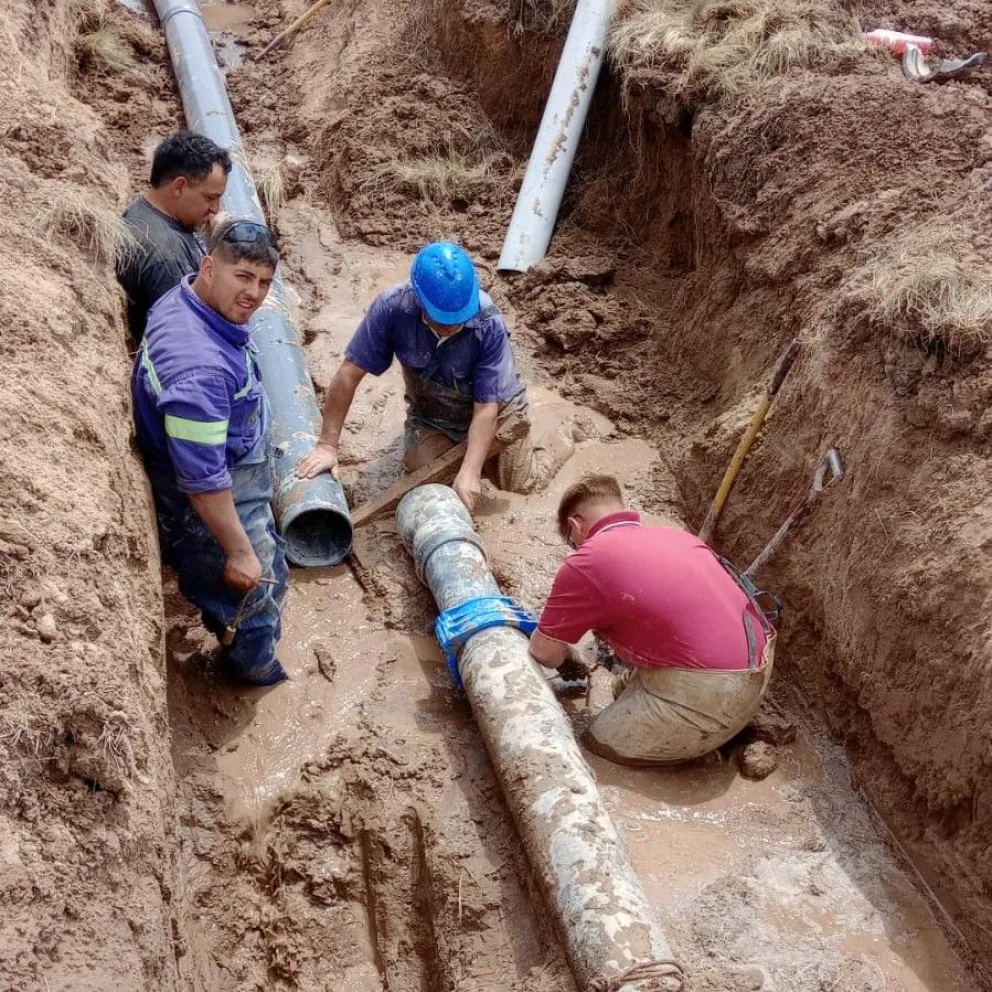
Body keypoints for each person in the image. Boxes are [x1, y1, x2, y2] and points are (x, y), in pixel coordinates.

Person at [132, 219, 289, 687]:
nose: (254, 294)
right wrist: (240, 551)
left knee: (266, 568)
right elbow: (203, 483)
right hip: (211, 508)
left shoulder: (186, 299)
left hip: (232, 474)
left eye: (264, 283)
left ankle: (230, 627)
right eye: (242, 277)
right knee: (255, 599)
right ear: (208, 266)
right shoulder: (199, 369)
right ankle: (256, 672)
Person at [528, 474, 775, 766]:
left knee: (598, 743)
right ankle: (711, 732)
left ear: (575, 525)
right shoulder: (678, 536)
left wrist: (568, 653)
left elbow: (544, 652)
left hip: (709, 691)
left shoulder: (587, 561)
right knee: (620, 688)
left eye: (572, 542)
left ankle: (700, 749)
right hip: (759, 669)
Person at [296, 241, 563, 511]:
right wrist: (327, 446)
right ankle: (473, 461)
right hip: (434, 416)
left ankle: (566, 435)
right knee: (426, 479)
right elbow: (348, 375)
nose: (452, 326)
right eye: (443, 319)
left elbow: (486, 407)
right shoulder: (392, 308)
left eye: (458, 318)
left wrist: (470, 471)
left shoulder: (487, 322)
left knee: (524, 481)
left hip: (497, 410)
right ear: (418, 299)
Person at [118, 131, 232, 342]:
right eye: (209, 198)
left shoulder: (142, 212)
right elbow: (188, 339)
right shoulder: (167, 255)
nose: (215, 209)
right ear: (179, 187)